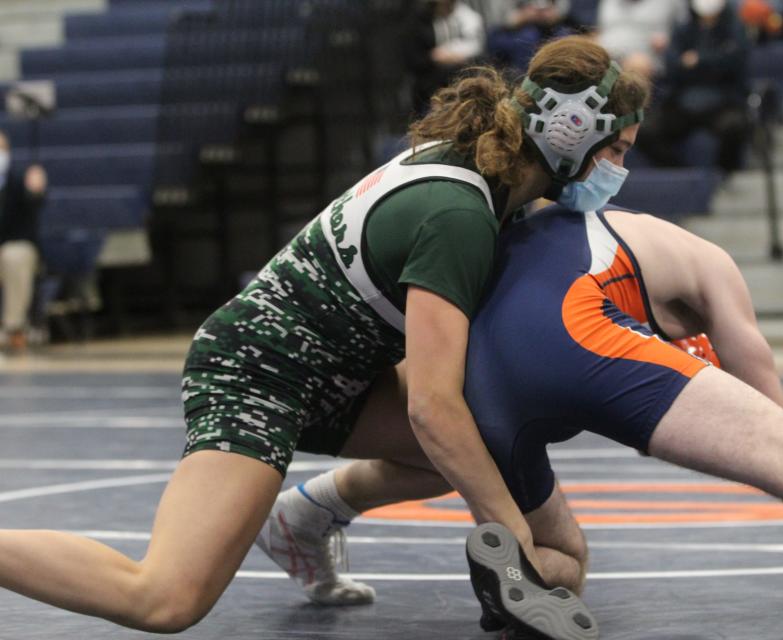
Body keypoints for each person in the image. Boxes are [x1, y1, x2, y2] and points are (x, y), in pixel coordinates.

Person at [0, 36, 647, 637]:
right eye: (616, 151)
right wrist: (513, 540)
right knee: (167, 598)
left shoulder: (484, 170)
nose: (620, 170)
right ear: (569, 133)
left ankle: (304, 517)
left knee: (478, 444)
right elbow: (430, 405)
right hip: (258, 372)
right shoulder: (460, 216)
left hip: (335, 367)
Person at [271, 205, 783, 638]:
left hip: (472, 380)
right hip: (579, 333)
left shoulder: (516, 216)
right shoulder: (711, 267)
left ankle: (311, 508)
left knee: (546, 543)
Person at [633, 0, 751, 174]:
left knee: (734, 126)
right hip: (683, 103)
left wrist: (699, 60)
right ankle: (682, 175)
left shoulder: (735, 28)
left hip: (723, 102)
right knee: (644, 131)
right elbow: (673, 65)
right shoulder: (683, 28)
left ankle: (724, 177)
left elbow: (734, 62)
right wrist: (711, 62)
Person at [0, 131, 47, 354]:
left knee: (14, 255)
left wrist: (37, 191)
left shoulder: (19, 180)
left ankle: (13, 327)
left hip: (15, 246)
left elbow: (34, 203)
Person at [405, 0, 486, 114]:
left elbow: (476, 46)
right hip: (430, 79)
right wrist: (434, 57)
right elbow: (414, 59)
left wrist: (452, 55)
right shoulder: (419, 21)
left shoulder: (467, 16)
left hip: (462, 76)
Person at [597, 0, 687, 78]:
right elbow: (598, 30)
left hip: (646, 56)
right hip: (607, 52)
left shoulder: (669, 3)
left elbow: (686, 29)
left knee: (637, 65)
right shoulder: (608, 2)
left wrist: (668, 41)